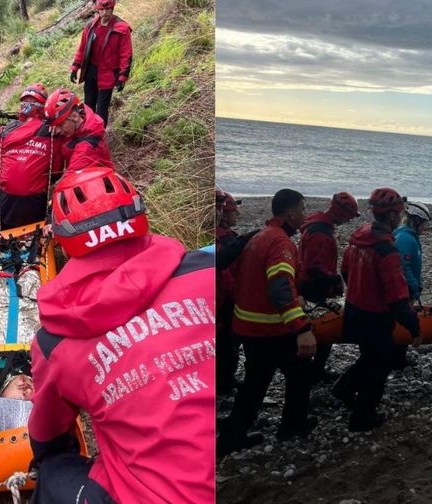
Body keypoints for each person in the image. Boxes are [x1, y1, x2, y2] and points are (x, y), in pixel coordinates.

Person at [28, 168, 214, 503]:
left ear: (64, 242)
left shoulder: (55, 343)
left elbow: (47, 433)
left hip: (151, 497)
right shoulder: (205, 271)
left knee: (53, 466)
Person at [217, 189, 318, 456]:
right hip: (271, 328)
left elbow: (249, 279)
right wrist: (302, 327)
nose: (305, 215)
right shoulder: (280, 243)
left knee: (255, 382)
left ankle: (232, 436)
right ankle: (293, 425)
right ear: (290, 213)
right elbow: (280, 289)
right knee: (300, 373)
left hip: (248, 326)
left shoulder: (259, 237)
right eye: (303, 209)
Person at [333, 188, 421, 432]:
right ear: (392, 215)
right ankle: (363, 416)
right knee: (380, 366)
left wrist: (359, 289)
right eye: (399, 213)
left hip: (354, 308)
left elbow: (345, 270)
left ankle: (344, 388)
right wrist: (414, 326)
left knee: (368, 357)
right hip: (375, 316)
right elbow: (397, 296)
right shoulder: (386, 249)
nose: (400, 217)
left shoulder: (359, 238)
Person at [0, 83, 66, 230]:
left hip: (4, 199)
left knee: (1, 237)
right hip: (34, 201)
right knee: (35, 236)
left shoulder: (2, 132)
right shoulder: (53, 134)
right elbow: (56, 172)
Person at [297, 191, 360, 384]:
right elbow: (315, 266)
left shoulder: (319, 225)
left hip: (309, 284)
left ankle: (313, 370)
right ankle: (312, 372)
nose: (349, 220)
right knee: (322, 327)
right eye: (349, 216)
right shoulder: (321, 233)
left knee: (319, 327)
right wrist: (334, 281)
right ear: (341, 213)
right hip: (313, 288)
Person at [69, 0, 133, 126]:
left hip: (108, 73)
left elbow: (126, 55)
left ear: (112, 8)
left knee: (102, 108)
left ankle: (99, 134)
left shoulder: (122, 29)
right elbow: (82, 49)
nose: (104, 13)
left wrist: (122, 76)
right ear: (97, 10)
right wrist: (75, 67)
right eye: (102, 10)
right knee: (88, 105)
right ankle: (88, 130)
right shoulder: (90, 27)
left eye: (107, 9)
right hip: (91, 71)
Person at [389, 200, 431, 370]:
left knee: (401, 320)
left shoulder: (406, 235)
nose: (425, 227)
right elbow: (403, 267)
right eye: (424, 223)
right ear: (417, 220)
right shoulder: (406, 239)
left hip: (405, 288)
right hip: (404, 289)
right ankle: (396, 360)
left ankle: (398, 358)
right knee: (402, 319)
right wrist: (415, 287)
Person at [44, 88, 114, 172]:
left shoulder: (86, 147)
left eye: (60, 125)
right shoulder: (78, 125)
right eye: (54, 126)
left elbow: (71, 177)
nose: (57, 131)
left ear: (74, 116)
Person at [216, 189, 243, 394]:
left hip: (223, 297)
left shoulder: (224, 239)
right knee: (228, 343)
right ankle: (224, 383)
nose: (237, 214)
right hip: (225, 300)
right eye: (233, 211)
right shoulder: (227, 241)